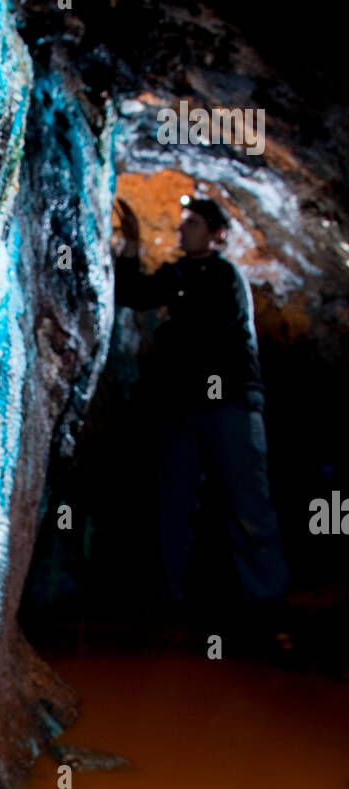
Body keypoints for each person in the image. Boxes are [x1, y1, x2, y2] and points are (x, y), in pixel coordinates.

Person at [114, 194, 290, 651]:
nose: (182, 229)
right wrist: (132, 247)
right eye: (183, 223)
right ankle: (169, 604)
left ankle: (266, 610)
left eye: (191, 224)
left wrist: (170, 328)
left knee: (248, 507)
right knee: (173, 505)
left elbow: (208, 325)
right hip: (183, 407)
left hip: (228, 400)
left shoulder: (225, 276)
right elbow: (133, 295)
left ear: (216, 235)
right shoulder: (180, 275)